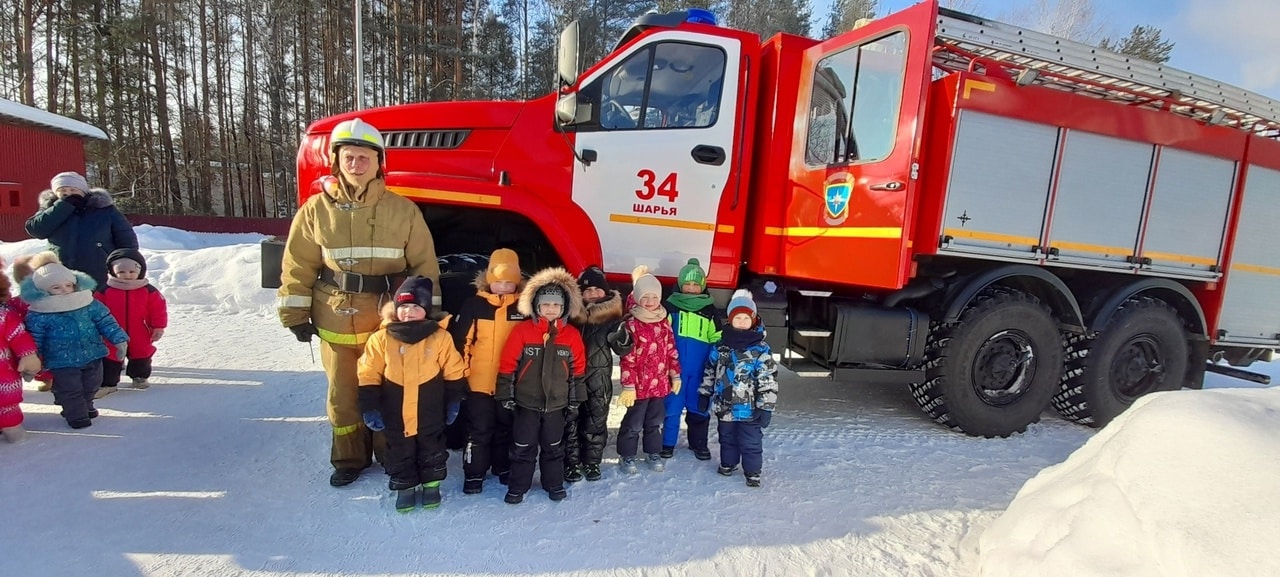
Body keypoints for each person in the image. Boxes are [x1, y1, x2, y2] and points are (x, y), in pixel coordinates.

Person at [277, 117, 443, 488]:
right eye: (349, 157)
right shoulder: (315, 211)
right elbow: (298, 264)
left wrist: (428, 313)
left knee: (389, 388)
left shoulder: (403, 210)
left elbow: (423, 265)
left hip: (386, 320)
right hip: (334, 316)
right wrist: (295, 311)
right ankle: (349, 458)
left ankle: (390, 452)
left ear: (378, 161)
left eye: (364, 157)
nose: (356, 164)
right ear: (336, 162)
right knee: (343, 393)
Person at [356, 276, 466, 511]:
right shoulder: (381, 338)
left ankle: (431, 485)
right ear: (396, 308)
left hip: (430, 410)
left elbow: (454, 369)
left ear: (425, 310)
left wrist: (454, 399)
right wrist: (370, 405)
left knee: (432, 449)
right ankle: (404, 487)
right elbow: (368, 372)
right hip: (394, 410)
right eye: (404, 306)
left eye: (416, 307)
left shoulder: (440, 337)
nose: (408, 312)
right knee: (399, 449)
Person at [494, 267, 586, 504]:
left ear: (564, 308)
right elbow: (507, 364)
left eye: (556, 306)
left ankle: (553, 484)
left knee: (554, 447)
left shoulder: (572, 335)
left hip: (556, 405)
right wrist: (506, 394)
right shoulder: (523, 332)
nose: (551, 309)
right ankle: (518, 486)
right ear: (536, 306)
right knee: (523, 446)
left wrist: (575, 401)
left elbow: (578, 370)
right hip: (527, 404)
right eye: (546, 305)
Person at [19, 251, 128, 430]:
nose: (64, 290)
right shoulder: (39, 313)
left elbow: (105, 321)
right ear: (43, 291)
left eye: (68, 285)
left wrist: (119, 340)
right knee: (71, 389)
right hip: (61, 360)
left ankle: (84, 405)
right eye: (56, 287)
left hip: (93, 353)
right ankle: (76, 415)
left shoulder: (87, 302)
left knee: (92, 384)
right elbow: (34, 338)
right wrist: (33, 361)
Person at [449, 249, 524, 495]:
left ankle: (503, 468)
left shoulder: (523, 307)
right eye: (499, 281)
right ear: (490, 280)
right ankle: (474, 473)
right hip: (478, 383)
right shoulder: (475, 305)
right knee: (479, 430)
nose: (503, 287)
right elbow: (462, 343)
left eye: (509, 282)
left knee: (506, 428)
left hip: (509, 383)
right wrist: (462, 376)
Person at [698, 289, 778, 488]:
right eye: (737, 317)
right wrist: (704, 393)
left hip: (750, 409)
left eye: (746, 318)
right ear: (730, 319)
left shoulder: (760, 349)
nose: (741, 321)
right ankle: (728, 463)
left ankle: (752, 471)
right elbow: (710, 370)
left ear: (753, 320)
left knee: (751, 441)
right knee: (726, 437)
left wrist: (766, 406)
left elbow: (768, 380)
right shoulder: (721, 346)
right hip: (724, 406)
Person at [563, 265, 631, 482]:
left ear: (605, 291)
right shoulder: (571, 315)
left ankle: (592, 462)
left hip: (599, 377)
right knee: (571, 419)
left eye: (597, 289)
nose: (593, 293)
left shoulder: (612, 318)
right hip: (571, 377)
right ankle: (571, 463)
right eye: (588, 289)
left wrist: (620, 336)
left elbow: (625, 348)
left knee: (596, 419)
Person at [615, 265, 680, 474]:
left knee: (654, 423)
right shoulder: (632, 324)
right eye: (645, 297)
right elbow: (628, 358)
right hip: (639, 387)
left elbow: (671, 351)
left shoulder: (664, 323)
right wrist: (628, 386)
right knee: (633, 424)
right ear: (638, 298)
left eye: (654, 296)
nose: (650, 301)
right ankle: (627, 456)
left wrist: (675, 374)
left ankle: (653, 453)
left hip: (659, 386)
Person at [25, 171, 138, 289]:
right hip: (62, 269)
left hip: (99, 268)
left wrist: (127, 261)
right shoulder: (51, 209)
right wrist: (63, 207)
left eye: (73, 190)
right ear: (55, 193)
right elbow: (36, 230)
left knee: (98, 302)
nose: (68, 194)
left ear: (84, 192)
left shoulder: (104, 209)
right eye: (63, 191)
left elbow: (126, 237)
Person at [661, 258, 722, 460]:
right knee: (672, 407)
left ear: (702, 286)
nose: (691, 288)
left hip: (700, 370)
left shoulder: (710, 311)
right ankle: (667, 443)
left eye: (696, 284)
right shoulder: (670, 307)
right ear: (680, 284)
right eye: (687, 283)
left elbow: (717, 338)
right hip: (674, 370)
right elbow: (663, 335)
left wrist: (715, 359)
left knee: (699, 407)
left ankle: (699, 444)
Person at [95, 248, 168, 397]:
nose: (127, 276)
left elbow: (158, 309)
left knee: (141, 353)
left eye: (131, 272)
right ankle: (108, 383)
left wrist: (158, 326)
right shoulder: (105, 290)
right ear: (112, 271)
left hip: (140, 330)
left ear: (140, 270)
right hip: (112, 332)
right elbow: (96, 311)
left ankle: (139, 376)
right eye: (121, 272)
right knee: (110, 356)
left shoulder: (148, 290)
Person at [0, 264, 42, 443]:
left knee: (7, 407)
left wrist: (28, 355)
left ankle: (14, 432)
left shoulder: (4, 315)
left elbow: (18, 335)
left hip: (2, 376)